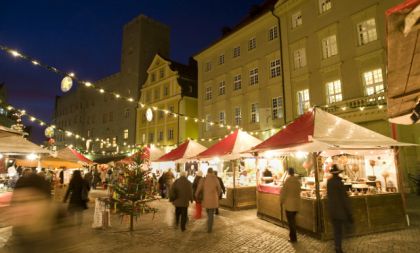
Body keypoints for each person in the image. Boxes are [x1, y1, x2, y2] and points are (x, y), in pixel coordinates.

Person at [327, 164, 353, 253]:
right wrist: (349, 211)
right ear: (338, 173)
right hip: (340, 210)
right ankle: (338, 248)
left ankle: (337, 246)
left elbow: (329, 196)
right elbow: (343, 198)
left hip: (332, 209)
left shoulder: (329, 182)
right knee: (339, 230)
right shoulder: (339, 182)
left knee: (336, 229)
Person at [195, 168, 221, 233]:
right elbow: (219, 189)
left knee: (209, 212)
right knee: (211, 214)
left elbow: (199, 188)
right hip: (214, 199)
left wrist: (196, 194)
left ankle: (209, 227)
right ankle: (209, 226)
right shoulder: (216, 179)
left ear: (207, 172)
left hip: (206, 199)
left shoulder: (203, 179)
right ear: (212, 172)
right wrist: (217, 195)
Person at [280, 167, 301, 243]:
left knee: (291, 222)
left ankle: (293, 238)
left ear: (288, 173)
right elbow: (299, 190)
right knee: (293, 221)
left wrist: (281, 201)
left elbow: (283, 192)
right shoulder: (297, 181)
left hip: (289, 205)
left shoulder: (287, 181)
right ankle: (293, 236)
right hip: (296, 204)